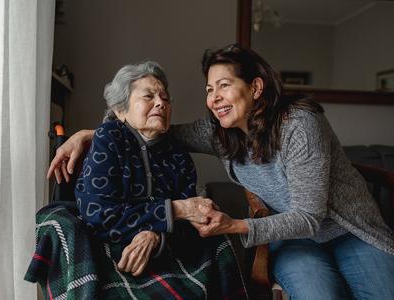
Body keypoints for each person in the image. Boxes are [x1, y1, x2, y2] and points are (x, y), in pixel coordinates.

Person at [48, 45, 394, 299]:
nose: (213, 98)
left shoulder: (300, 124)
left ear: (255, 89)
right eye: (209, 90)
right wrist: (89, 134)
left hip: (349, 232)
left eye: (224, 85)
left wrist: (232, 225)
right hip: (290, 240)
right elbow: (149, 129)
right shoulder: (218, 133)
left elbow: (309, 216)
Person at [37, 61, 248, 299]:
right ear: (120, 110)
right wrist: (174, 209)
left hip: (161, 250)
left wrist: (155, 234)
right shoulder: (109, 138)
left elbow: (190, 220)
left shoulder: (178, 154)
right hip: (105, 246)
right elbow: (100, 212)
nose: (161, 103)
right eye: (148, 96)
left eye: (165, 98)